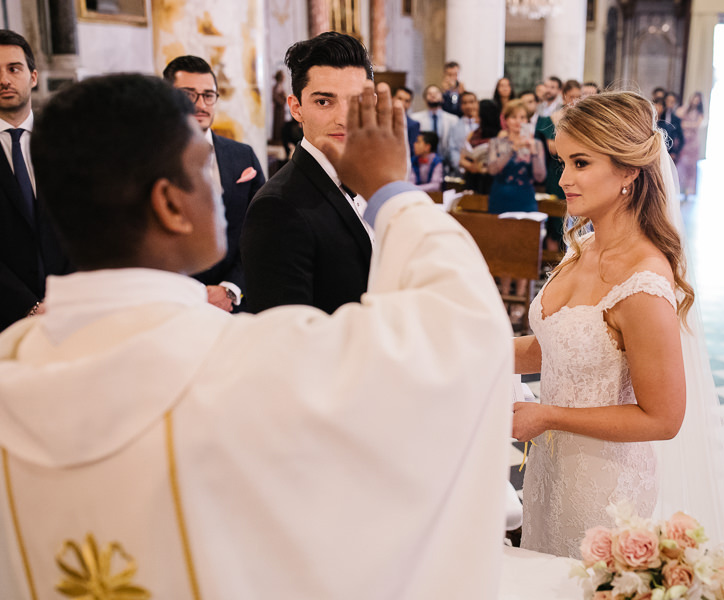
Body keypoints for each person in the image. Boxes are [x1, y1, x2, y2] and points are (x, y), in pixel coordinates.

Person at [0, 73, 512, 600]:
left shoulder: (12, 370)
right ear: (170, 205)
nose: (222, 191)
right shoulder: (252, 367)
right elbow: (462, 330)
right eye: (204, 167)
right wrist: (393, 191)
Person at [511, 91, 724, 599]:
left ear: (629, 171)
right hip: (551, 470)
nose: (564, 178)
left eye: (581, 162)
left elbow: (663, 418)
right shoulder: (581, 246)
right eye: (563, 161)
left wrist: (547, 416)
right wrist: (477, 347)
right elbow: (565, 345)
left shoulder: (644, 282)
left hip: (605, 487)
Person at [241, 32, 374, 315]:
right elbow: (285, 338)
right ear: (296, 108)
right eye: (324, 102)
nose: (343, 117)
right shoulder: (276, 207)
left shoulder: (377, 181)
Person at [163, 55, 266, 313]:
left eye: (209, 95)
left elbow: (262, 230)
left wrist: (231, 288)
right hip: (174, 308)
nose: (201, 104)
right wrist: (195, 296)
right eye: (189, 95)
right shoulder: (146, 161)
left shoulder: (243, 156)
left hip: (236, 306)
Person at [0, 29, 70, 330]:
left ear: (33, 76)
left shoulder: (69, 143)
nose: (3, 80)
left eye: (13, 68)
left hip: (72, 310)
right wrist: (28, 306)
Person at [487, 99, 545, 323]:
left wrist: (535, 153)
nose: (518, 122)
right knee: (502, 249)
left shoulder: (536, 144)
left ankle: (520, 297)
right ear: (506, 119)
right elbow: (492, 169)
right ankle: (503, 296)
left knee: (523, 248)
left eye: (522, 118)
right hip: (501, 197)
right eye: (514, 117)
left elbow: (540, 176)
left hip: (525, 198)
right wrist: (512, 147)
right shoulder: (497, 142)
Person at [411, 84, 459, 168]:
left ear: (442, 98)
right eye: (429, 94)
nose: (433, 95)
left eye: (436, 93)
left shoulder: (453, 120)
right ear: (425, 99)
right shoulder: (415, 119)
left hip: (446, 163)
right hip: (422, 164)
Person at [459, 99, 500, 194]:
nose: (474, 114)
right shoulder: (473, 134)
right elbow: (461, 159)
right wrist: (472, 166)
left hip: (491, 179)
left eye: (476, 111)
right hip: (473, 176)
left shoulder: (500, 134)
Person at [675, 91, 704, 197]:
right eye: (694, 98)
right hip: (684, 140)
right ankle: (679, 186)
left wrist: (686, 124)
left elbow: (697, 125)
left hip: (693, 142)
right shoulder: (685, 109)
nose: (695, 101)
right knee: (681, 163)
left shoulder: (699, 113)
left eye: (698, 100)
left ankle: (689, 188)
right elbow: (678, 115)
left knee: (691, 166)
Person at [447, 90, 478, 175]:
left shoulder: (483, 125)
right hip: (461, 169)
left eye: (471, 102)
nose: (468, 106)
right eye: (464, 103)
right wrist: (462, 165)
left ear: (477, 103)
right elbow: (452, 149)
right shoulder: (455, 126)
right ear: (460, 105)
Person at [393, 84, 420, 158]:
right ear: (393, 98)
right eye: (399, 98)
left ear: (410, 104)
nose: (402, 103)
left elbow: (412, 152)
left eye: (407, 101)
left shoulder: (413, 125)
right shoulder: (382, 119)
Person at [271, 70, 288, 144]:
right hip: (278, 109)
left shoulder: (281, 86)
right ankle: (277, 139)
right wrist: (281, 102)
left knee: (281, 124)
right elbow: (275, 97)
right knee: (277, 124)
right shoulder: (276, 87)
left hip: (281, 109)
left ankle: (281, 139)